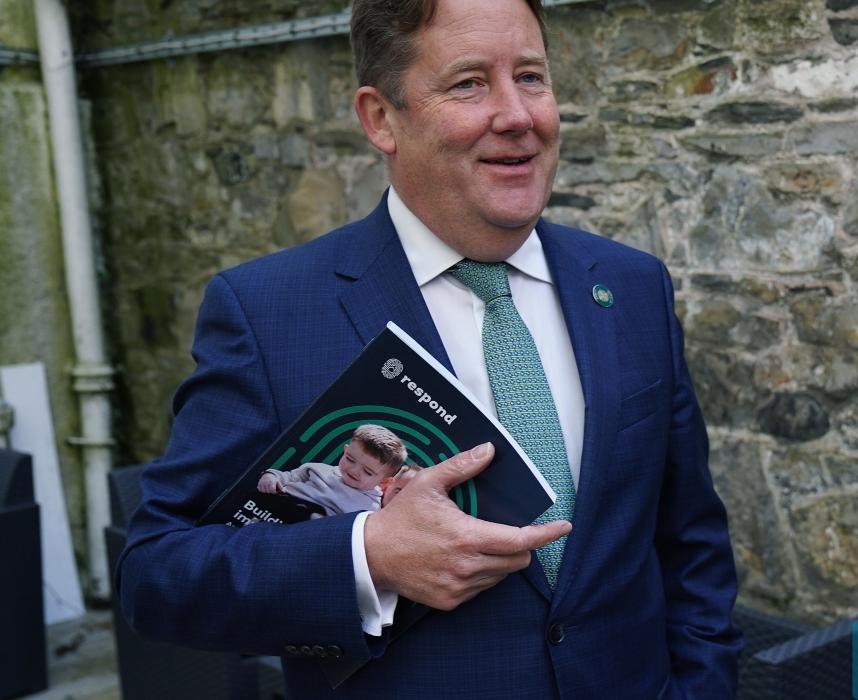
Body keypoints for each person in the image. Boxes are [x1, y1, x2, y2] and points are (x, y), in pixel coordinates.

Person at [116, 0, 742, 697]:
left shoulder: (631, 286)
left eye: (530, 76)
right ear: (381, 118)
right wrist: (370, 557)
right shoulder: (270, 313)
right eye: (469, 83)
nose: (517, 115)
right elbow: (156, 573)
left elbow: (690, 543)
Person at [256, 424, 409, 516]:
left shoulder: (370, 510)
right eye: (350, 459)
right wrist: (271, 477)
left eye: (367, 472)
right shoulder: (319, 469)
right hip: (280, 505)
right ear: (345, 450)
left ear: (384, 481)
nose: (354, 470)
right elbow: (287, 477)